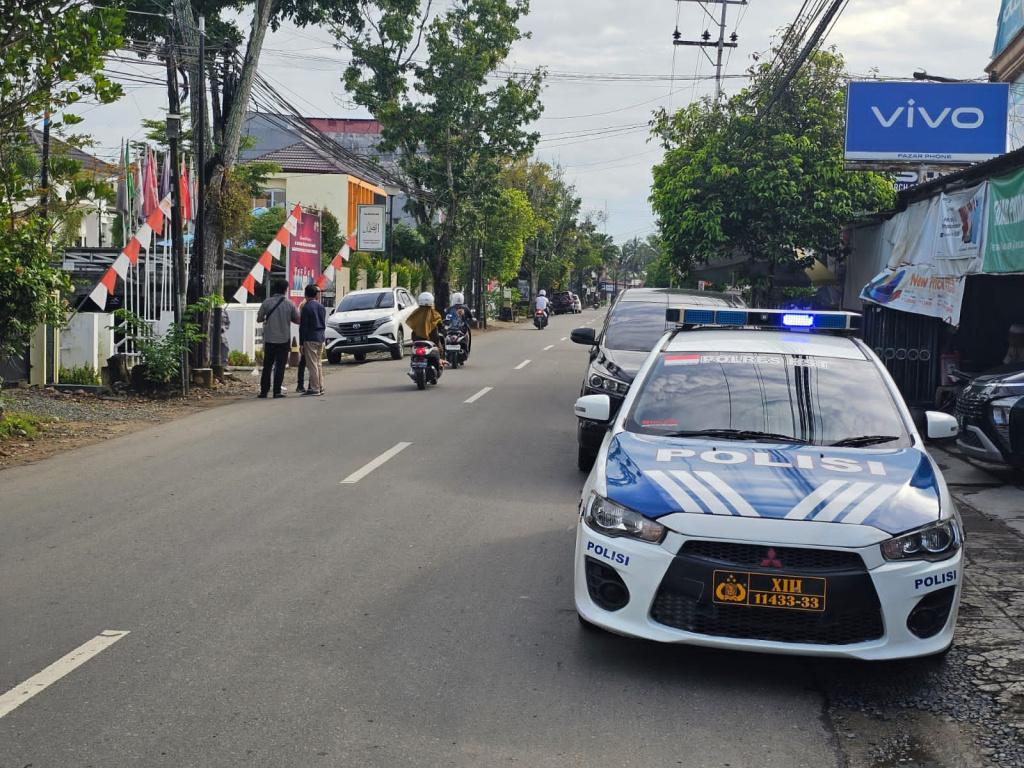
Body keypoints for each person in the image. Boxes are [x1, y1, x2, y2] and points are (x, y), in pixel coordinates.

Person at [256, 280, 300, 399]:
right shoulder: (290, 304)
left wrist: (266, 318)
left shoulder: (266, 302)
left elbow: (259, 319)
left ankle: (264, 391)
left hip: (269, 339)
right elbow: (297, 320)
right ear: (286, 290)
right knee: (280, 366)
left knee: (267, 366)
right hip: (284, 339)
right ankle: (277, 391)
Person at [406, 291, 445, 374]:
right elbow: (441, 325)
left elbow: (410, 323)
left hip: (417, 339)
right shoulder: (435, 314)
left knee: (413, 351)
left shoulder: (415, 313)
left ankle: (413, 366)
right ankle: (439, 362)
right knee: (439, 348)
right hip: (432, 340)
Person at [300, 283, 327, 396]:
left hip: (310, 337)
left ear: (306, 295)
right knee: (318, 363)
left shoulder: (306, 307)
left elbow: (303, 327)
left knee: (312, 364)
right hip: (320, 336)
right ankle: (320, 386)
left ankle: (315, 388)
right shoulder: (321, 307)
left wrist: (301, 343)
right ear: (316, 295)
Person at [445, 290, 472, 360]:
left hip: (451, 329)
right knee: (468, 336)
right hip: (462, 329)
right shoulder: (466, 308)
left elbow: (446, 318)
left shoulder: (450, 308)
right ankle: (467, 350)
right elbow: (471, 317)